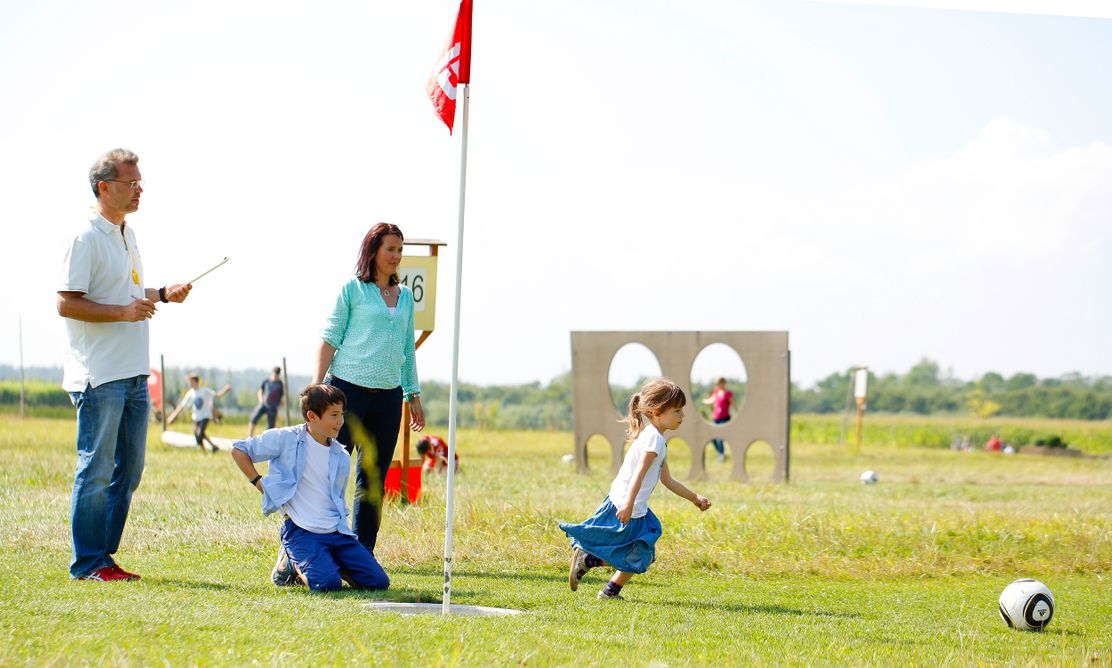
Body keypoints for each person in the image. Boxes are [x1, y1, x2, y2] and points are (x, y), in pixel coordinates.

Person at [57, 148, 193, 581]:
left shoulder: (127, 234)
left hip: (135, 373)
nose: (139, 190)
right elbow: (66, 303)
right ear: (104, 188)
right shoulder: (85, 237)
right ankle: (88, 563)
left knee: (129, 471)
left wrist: (163, 294)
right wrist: (123, 314)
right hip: (100, 376)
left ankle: (104, 558)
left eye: (140, 183)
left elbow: (126, 294)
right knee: (95, 469)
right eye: (131, 183)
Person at [313, 222, 425, 553]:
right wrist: (316, 389)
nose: (396, 256)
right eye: (390, 249)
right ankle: (307, 547)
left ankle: (360, 558)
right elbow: (329, 339)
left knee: (373, 481)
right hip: (346, 395)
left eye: (400, 250)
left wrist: (412, 394)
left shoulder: (405, 298)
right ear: (373, 251)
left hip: (388, 399)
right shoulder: (353, 290)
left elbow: (407, 349)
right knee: (329, 474)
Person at [560, 378, 712, 601]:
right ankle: (590, 562)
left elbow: (667, 480)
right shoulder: (654, 440)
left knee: (644, 554)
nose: (682, 416)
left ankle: (609, 589)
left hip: (630, 505)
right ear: (657, 412)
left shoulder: (656, 438)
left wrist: (694, 498)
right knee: (639, 554)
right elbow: (639, 475)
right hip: (627, 506)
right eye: (677, 410)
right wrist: (629, 505)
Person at [231, 384, 390, 592]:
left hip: (337, 532)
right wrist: (259, 483)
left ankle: (331, 561)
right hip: (301, 531)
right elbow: (239, 450)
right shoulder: (286, 438)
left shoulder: (341, 455)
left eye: (342, 414)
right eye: (333, 415)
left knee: (379, 583)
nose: (340, 421)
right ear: (311, 416)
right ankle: (291, 561)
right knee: (326, 585)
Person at [166, 373, 232, 452]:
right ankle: (210, 448)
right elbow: (182, 406)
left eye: (190, 381)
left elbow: (217, 395)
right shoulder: (190, 393)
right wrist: (172, 416)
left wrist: (225, 389)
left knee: (200, 432)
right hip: (196, 417)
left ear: (195, 381)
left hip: (205, 416)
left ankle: (208, 449)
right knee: (197, 435)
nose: (188, 383)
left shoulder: (204, 390)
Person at [702, 377, 735, 461]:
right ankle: (721, 453)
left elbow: (733, 404)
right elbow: (712, 399)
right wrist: (705, 401)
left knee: (719, 437)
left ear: (723, 383)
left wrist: (738, 413)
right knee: (712, 437)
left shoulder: (728, 393)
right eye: (716, 384)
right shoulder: (716, 391)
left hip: (724, 418)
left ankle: (721, 456)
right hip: (716, 418)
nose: (717, 385)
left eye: (718, 383)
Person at [248, 366, 285, 437]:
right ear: (272, 373)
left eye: (277, 375)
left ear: (279, 375)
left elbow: (282, 395)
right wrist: (260, 399)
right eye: (275, 375)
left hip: (273, 407)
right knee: (254, 418)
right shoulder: (266, 381)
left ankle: (267, 440)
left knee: (270, 427)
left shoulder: (280, 384)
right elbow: (260, 390)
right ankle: (250, 436)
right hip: (264, 404)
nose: (275, 377)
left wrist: (280, 405)